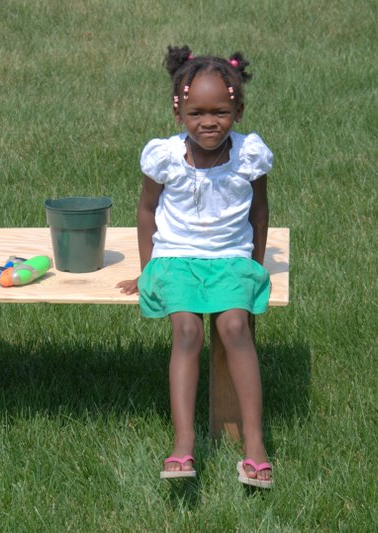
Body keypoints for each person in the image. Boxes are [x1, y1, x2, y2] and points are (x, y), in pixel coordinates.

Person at [117, 44, 273, 489]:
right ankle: (184, 443)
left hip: (230, 258)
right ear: (178, 112)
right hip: (176, 258)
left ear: (238, 110)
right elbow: (147, 212)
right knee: (187, 329)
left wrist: (254, 268)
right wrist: (148, 271)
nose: (209, 122)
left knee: (234, 328)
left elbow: (259, 213)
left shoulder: (249, 156)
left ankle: (255, 446)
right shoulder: (165, 157)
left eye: (220, 112)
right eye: (197, 113)